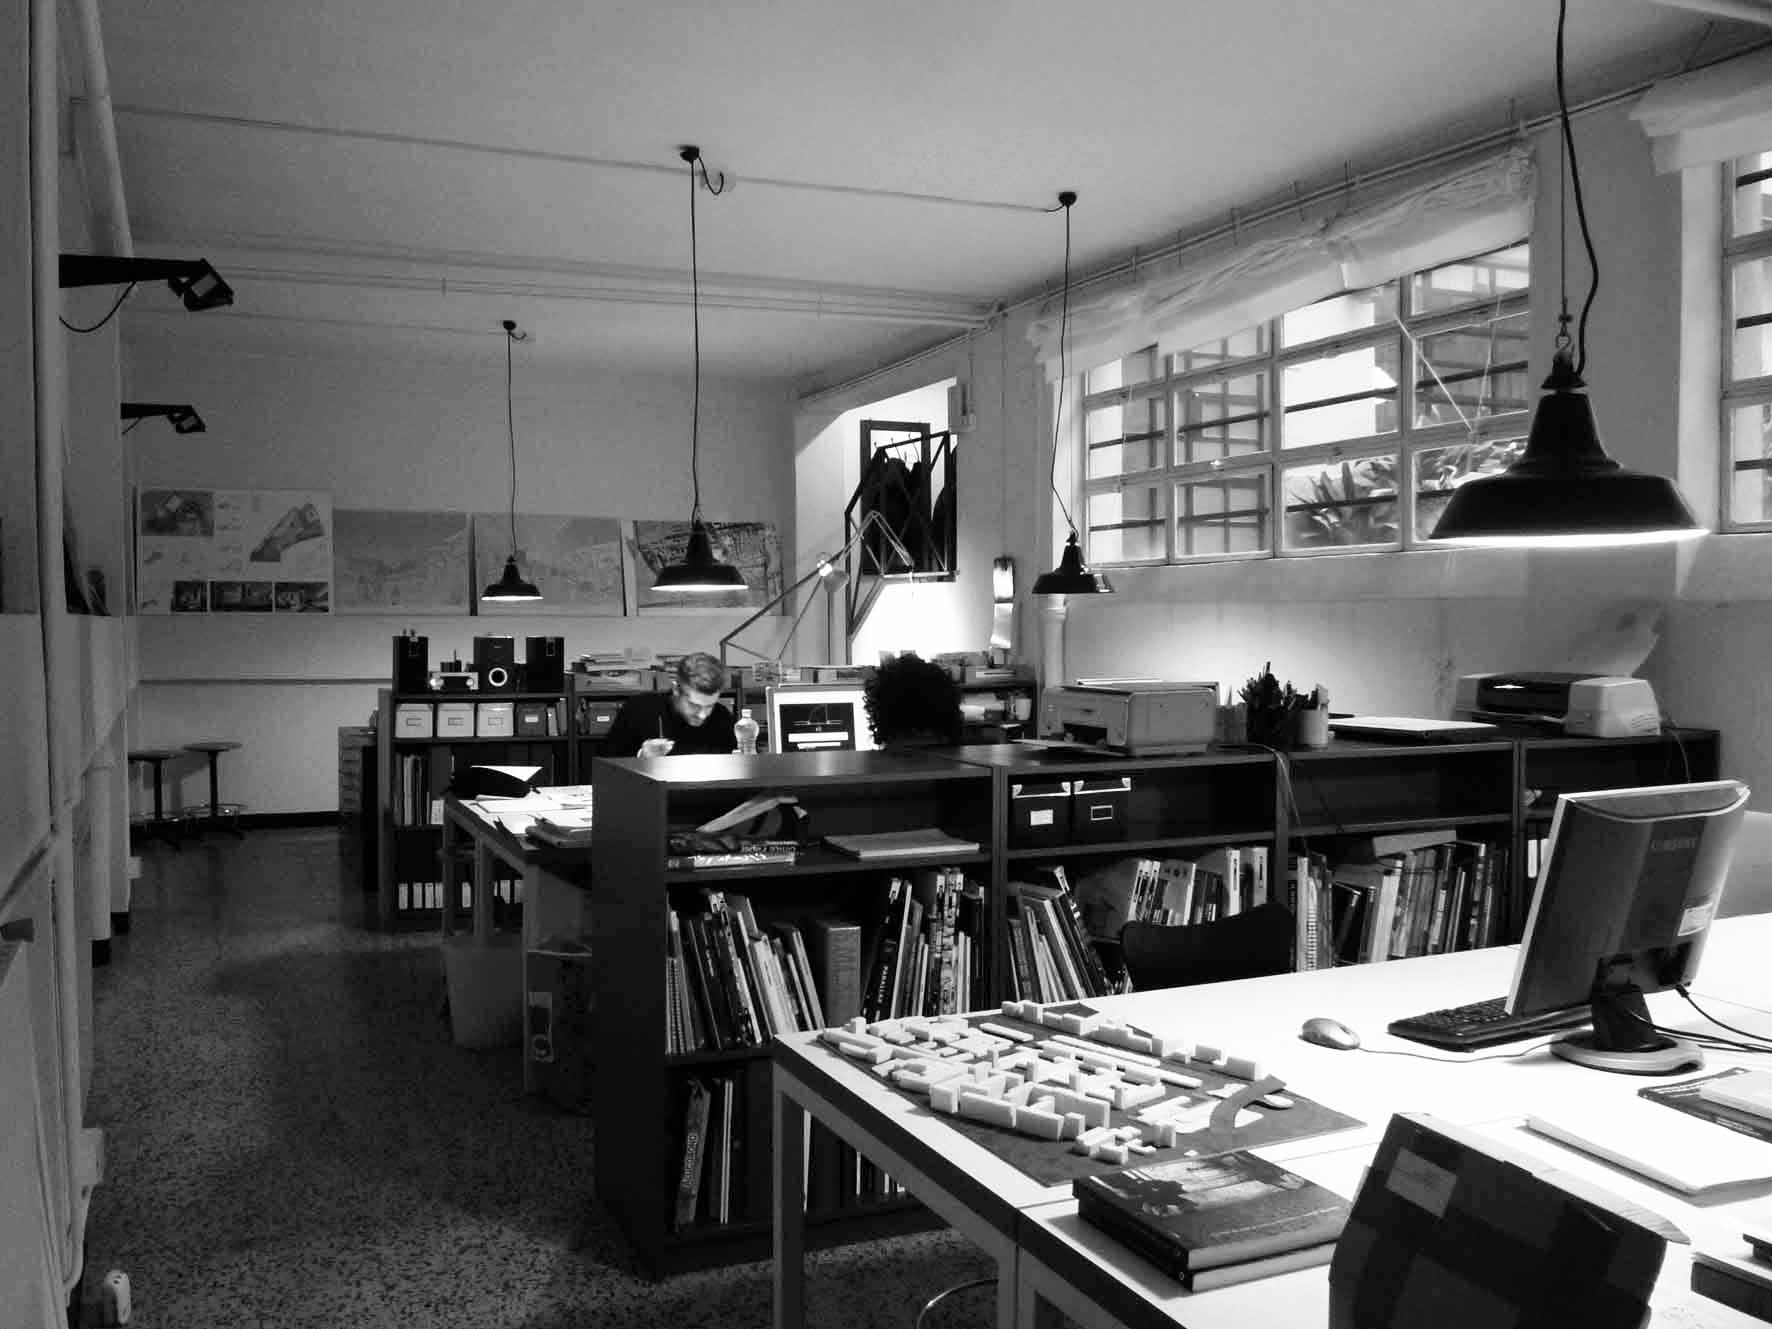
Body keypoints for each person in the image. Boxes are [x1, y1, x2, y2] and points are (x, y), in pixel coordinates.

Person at [605, 652, 738, 757]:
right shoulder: (639, 710)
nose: (702, 715)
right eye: (694, 706)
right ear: (676, 689)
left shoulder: (721, 716)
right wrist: (642, 757)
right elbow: (607, 767)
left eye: (709, 706)